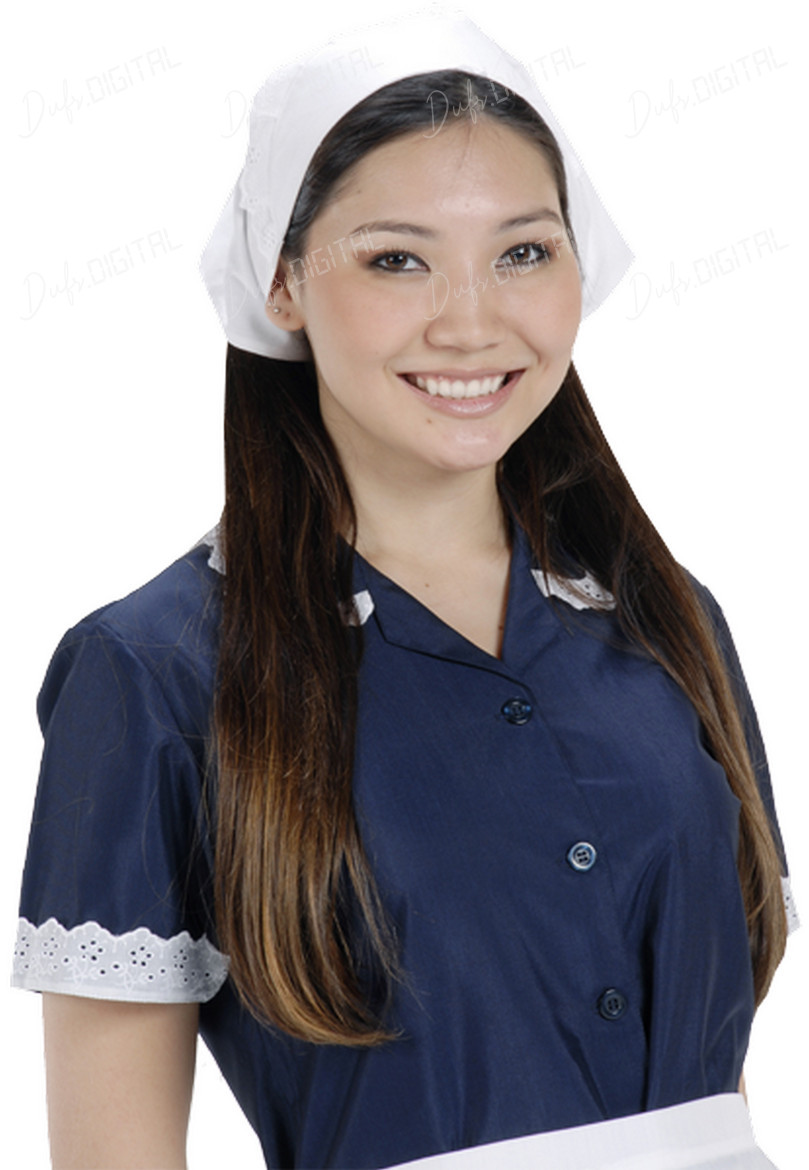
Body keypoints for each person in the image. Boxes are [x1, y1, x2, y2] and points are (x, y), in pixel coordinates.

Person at [11, 9, 798, 1169]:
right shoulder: (156, 672)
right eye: (396, 258)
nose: (472, 321)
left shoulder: (668, 620)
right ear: (282, 284)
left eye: (522, 251)